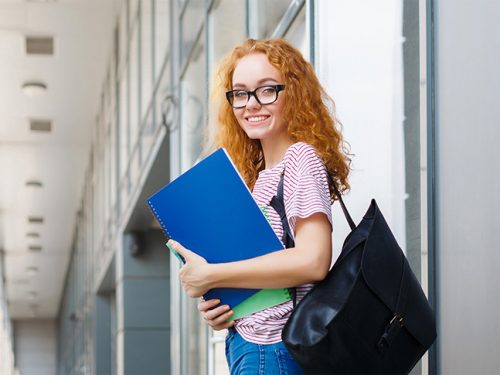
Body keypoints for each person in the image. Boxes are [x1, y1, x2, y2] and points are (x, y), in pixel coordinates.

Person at [168, 38, 351, 374]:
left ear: (293, 93)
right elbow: (263, 272)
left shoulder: (300, 158)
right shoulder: (258, 179)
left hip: (276, 348)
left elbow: (313, 260)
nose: (251, 104)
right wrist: (222, 308)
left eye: (267, 90)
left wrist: (211, 274)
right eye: (240, 93)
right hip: (249, 344)